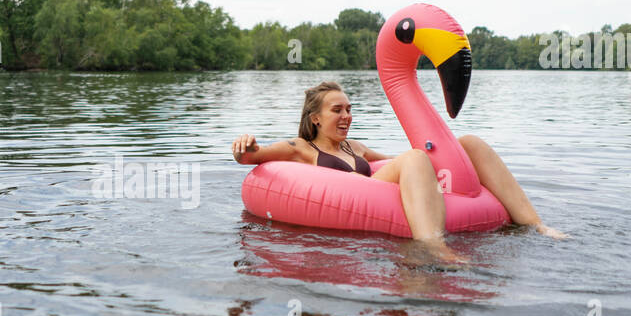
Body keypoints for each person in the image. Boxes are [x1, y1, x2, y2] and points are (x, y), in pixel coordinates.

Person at [231, 81, 566, 262]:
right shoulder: (301, 148)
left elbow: (394, 163)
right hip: (355, 198)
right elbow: (252, 157)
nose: (346, 116)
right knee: (415, 158)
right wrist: (245, 144)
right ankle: (433, 246)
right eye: (337, 110)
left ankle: (536, 224)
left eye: (349, 109)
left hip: (373, 190)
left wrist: (450, 158)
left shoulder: (356, 148)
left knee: (469, 143)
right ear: (316, 118)